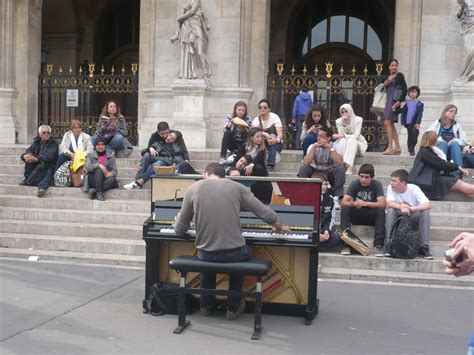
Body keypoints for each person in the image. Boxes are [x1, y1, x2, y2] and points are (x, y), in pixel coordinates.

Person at [174, 163, 290, 320]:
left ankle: (205, 306)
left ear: (205, 174)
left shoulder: (193, 188)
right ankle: (233, 307)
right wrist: (279, 225)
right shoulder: (236, 187)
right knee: (242, 252)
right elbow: (263, 212)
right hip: (234, 254)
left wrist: (181, 223)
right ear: (224, 176)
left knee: (207, 254)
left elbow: (180, 230)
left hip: (206, 255)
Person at [409, 131, 473, 199]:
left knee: (469, 193)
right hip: (430, 182)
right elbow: (441, 164)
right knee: (464, 187)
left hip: (431, 180)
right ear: (433, 140)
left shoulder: (426, 151)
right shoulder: (425, 152)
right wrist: (458, 167)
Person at [385, 169, 433, 259]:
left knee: (425, 212)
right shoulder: (390, 188)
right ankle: (389, 244)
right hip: (398, 217)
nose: (391, 183)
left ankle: (423, 247)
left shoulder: (414, 188)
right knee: (391, 211)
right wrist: (401, 207)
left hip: (412, 215)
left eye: (394, 181)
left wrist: (412, 208)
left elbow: (428, 205)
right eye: (391, 180)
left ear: (403, 183)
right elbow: (389, 203)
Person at [123, 129, 195, 189]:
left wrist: (186, 159)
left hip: (166, 162)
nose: (169, 138)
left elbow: (183, 153)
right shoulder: (158, 140)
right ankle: (137, 181)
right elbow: (145, 150)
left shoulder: (176, 148)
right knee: (147, 155)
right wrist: (144, 157)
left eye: (172, 139)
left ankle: (139, 183)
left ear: (175, 141)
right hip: (157, 158)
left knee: (157, 164)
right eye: (170, 135)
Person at [340, 164, 386, 256]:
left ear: (372, 177)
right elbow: (344, 202)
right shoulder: (354, 183)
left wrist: (366, 203)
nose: (363, 179)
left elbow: (382, 203)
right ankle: (346, 243)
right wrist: (353, 204)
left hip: (371, 216)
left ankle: (378, 244)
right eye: (361, 176)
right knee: (345, 208)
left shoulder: (377, 185)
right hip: (358, 215)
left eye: (366, 177)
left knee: (380, 210)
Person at [297, 127, 346, 207]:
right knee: (303, 169)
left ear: (329, 138)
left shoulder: (336, 146)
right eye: (318, 136)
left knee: (340, 169)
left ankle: (336, 197)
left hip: (330, 171)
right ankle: (304, 194)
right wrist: (314, 148)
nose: (318, 138)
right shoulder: (312, 146)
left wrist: (330, 148)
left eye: (321, 136)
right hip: (315, 170)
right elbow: (306, 162)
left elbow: (340, 162)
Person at [170, 0, 211, 79]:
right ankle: (191, 73)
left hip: (196, 27)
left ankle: (206, 71)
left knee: (199, 51)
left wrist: (181, 17)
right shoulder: (186, 3)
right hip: (187, 26)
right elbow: (181, 19)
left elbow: (192, 12)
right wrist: (180, 18)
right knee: (188, 51)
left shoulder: (197, 1)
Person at [20, 125, 59, 197]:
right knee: (29, 158)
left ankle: (42, 188)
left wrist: (37, 159)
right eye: (44, 133)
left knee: (48, 171)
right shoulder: (36, 142)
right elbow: (29, 150)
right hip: (38, 164)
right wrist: (25, 156)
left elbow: (49, 157)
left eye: (48, 133)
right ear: (40, 134)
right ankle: (27, 178)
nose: (46, 134)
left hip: (49, 165)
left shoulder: (53, 144)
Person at [332, 104, 368, 175]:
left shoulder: (358, 119)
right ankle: (341, 164)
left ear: (350, 111)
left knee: (351, 141)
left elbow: (356, 136)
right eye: (342, 112)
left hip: (358, 144)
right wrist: (344, 124)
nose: (344, 114)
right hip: (346, 145)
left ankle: (349, 167)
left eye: (346, 111)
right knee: (343, 141)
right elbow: (340, 136)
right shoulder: (339, 121)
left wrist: (344, 136)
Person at [382, 58, 407, 155]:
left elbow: (404, 89)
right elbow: (381, 88)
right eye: (392, 65)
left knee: (387, 123)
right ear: (389, 67)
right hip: (388, 101)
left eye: (395, 65)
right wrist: (385, 83)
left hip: (394, 101)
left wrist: (399, 101)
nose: (394, 67)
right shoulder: (387, 77)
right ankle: (397, 147)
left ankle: (390, 147)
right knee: (391, 124)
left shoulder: (399, 76)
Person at [250, 99, 283, 171]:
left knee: (272, 136)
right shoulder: (256, 120)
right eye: (260, 107)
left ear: (269, 109)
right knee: (259, 138)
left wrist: (276, 140)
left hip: (276, 143)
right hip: (262, 143)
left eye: (265, 107)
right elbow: (253, 133)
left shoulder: (275, 117)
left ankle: (270, 164)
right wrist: (264, 133)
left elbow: (280, 134)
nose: (262, 109)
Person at [318, 174, 342, 252]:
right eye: (320, 184)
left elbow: (331, 219)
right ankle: (316, 247)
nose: (323, 187)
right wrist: (316, 234)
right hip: (310, 231)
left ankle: (314, 247)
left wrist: (326, 231)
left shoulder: (330, 199)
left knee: (337, 238)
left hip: (323, 229)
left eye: (325, 184)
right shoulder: (308, 198)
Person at [400, 86, 424, 156]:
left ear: (417, 93)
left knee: (415, 135)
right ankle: (411, 150)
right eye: (411, 92)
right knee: (410, 136)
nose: (412, 94)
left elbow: (420, 114)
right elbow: (403, 111)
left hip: (414, 122)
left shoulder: (419, 104)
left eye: (414, 92)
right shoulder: (407, 103)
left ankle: (411, 147)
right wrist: (395, 109)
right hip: (408, 122)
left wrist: (418, 122)